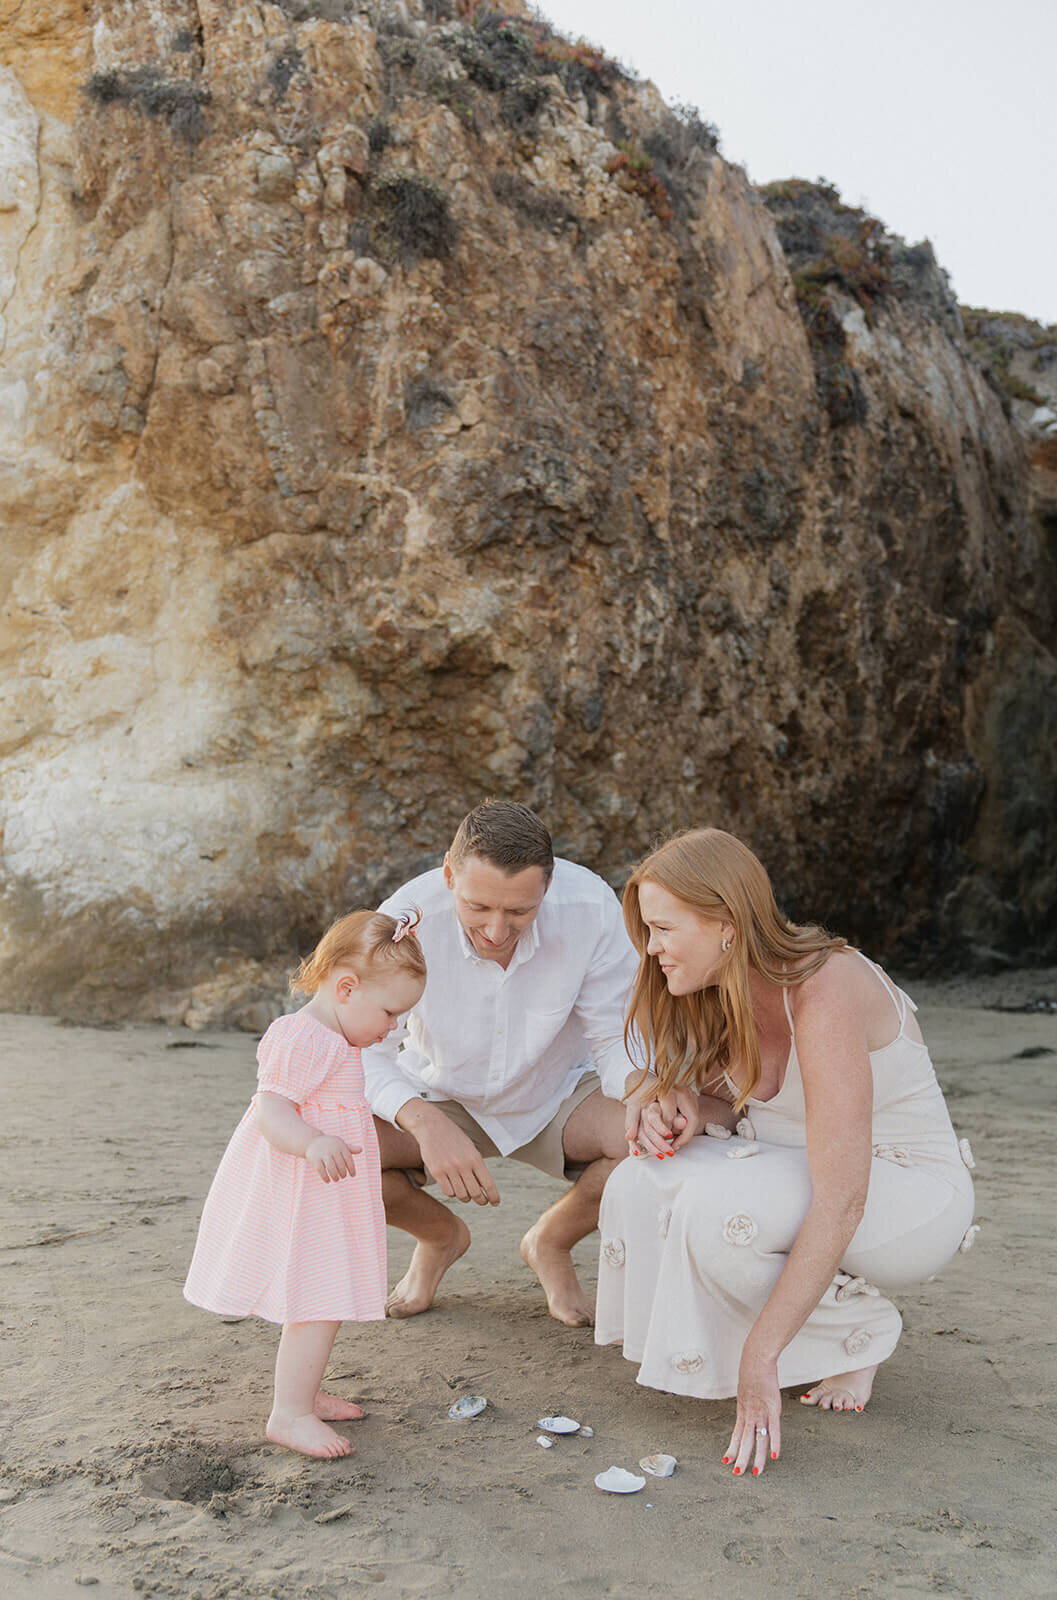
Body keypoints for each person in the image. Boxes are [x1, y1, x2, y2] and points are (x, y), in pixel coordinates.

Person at [595, 828, 976, 1477]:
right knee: (640, 1178)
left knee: (717, 1207)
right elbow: (750, 1110)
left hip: (904, 1196)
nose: (651, 948)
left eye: (661, 928)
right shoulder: (725, 990)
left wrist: (759, 1358)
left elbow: (842, 1193)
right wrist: (687, 1104)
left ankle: (856, 1333)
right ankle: (784, 1330)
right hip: (805, 1173)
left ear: (722, 922)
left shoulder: (822, 986)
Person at [364, 801, 715, 1326]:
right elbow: (361, 1049)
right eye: (478, 907)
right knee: (332, 1150)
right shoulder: (403, 920)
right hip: (439, 1091)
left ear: (548, 887)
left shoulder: (590, 905)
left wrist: (645, 1088)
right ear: (447, 874)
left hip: (557, 1095)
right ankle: (439, 1237)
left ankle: (550, 1241)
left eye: (519, 912)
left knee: (658, 1137)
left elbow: (613, 1033)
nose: (497, 931)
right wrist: (422, 1120)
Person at [184, 910, 426, 1460]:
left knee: (324, 1296)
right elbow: (271, 1111)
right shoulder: (302, 1037)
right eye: (390, 1013)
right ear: (345, 988)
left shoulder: (339, 1038)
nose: (393, 1028)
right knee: (314, 1301)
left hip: (326, 1191)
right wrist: (313, 1141)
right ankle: (288, 1413)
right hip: (302, 1188)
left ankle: (305, 1392)